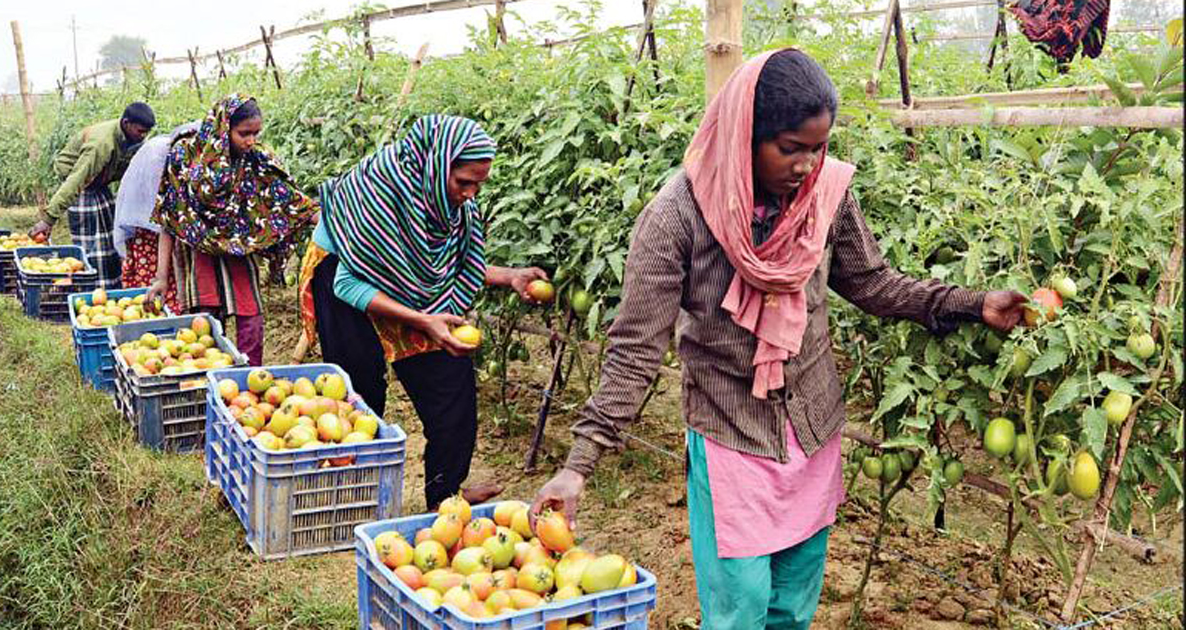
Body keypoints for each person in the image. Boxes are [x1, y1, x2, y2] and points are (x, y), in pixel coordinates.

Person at [529, 49, 1028, 630]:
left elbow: (872, 283)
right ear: (746, 135)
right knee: (739, 606)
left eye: (818, 148)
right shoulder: (677, 216)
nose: (807, 165)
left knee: (793, 605)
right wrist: (580, 464)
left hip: (811, 426)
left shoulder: (827, 197)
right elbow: (636, 347)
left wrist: (972, 304)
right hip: (730, 429)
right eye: (791, 148)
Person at [298, 114, 547, 510]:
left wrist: (507, 276)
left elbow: (430, 264)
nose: (470, 194)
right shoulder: (381, 191)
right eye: (464, 182)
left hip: (403, 287)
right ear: (437, 165)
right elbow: (349, 285)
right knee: (362, 388)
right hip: (344, 276)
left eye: (479, 184)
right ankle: (354, 495)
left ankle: (444, 494)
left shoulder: (446, 202)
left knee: (451, 382)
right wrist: (421, 320)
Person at [147, 94, 318, 365]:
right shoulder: (185, 157)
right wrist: (160, 277)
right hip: (198, 254)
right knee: (205, 324)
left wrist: (328, 221)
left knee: (251, 319)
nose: (251, 141)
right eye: (244, 134)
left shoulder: (256, 160)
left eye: (256, 133)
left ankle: (249, 383)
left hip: (239, 250)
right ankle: (209, 382)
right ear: (223, 128)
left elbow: (290, 199)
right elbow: (169, 218)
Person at [30, 102, 156, 289]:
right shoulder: (101, 145)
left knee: (110, 240)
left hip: (99, 184)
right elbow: (76, 180)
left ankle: (111, 287)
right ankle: (91, 290)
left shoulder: (132, 139)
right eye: (140, 131)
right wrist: (48, 219)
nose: (143, 136)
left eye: (146, 132)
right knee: (92, 244)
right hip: (81, 186)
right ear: (126, 123)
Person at [113, 120, 201, 314]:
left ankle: (165, 316)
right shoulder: (159, 156)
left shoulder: (183, 155)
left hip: (160, 223)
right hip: (146, 223)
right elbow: (164, 209)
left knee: (164, 275)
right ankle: (150, 317)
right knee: (153, 277)